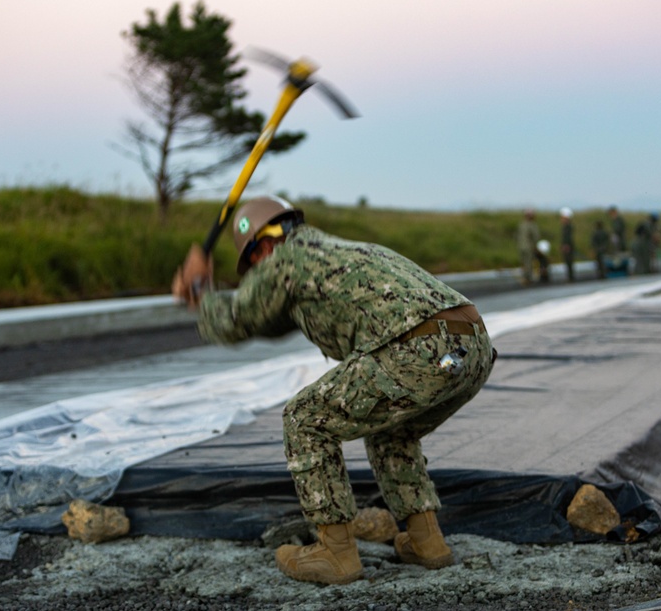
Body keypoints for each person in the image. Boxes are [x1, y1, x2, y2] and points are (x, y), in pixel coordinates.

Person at [174, 196, 496, 585]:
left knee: (306, 419)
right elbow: (271, 319)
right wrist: (205, 292)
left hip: (417, 348)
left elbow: (237, 319)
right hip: (472, 347)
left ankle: (335, 553)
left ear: (264, 246)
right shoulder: (332, 252)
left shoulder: (285, 258)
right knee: (392, 430)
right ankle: (428, 542)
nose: (256, 272)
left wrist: (198, 290)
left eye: (253, 264)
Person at [516, 209, 548, 284]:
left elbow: (518, 236)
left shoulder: (522, 224)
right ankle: (528, 278)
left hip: (521, 247)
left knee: (524, 262)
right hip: (528, 247)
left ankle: (525, 277)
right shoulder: (532, 225)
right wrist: (536, 247)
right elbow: (535, 237)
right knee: (528, 263)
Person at [559, 207, 575, 282]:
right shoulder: (565, 227)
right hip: (567, 246)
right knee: (567, 262)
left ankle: (571, 277)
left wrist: (566, 245)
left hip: (568, 246)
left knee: (569, 261)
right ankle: (570, 276)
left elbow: (567, 237)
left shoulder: (568, 227)